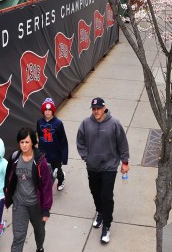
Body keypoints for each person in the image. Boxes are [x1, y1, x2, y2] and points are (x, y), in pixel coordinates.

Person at [76, 97, 130, 245]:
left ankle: (106, 225)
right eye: (93, 109)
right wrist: (86, 157)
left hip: (109, 167)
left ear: (104, 108)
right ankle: (100, 211)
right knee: (95, 192)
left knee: (106, 196)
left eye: (98, 108)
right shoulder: (86, 124)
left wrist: (125, 162)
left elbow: (123, 144)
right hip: (93, 166)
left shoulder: (114, 124)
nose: (96, 112)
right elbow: (80, 141)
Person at [4, 127, 53, 252]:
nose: (24, 145)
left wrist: (46, 209)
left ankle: (39, 247)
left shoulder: (40, 162)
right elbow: (8, 177)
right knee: (18, 236)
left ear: (32, 142)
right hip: (19, 202)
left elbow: (46, 186)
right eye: (21, 142)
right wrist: (7, 195)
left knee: (39, 231)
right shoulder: (15, 157)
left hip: (36, 205)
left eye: (27, 142)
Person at [36, 98, 69, 191]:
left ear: (53, 111)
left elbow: (63, 141)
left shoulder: (58, 123)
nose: (47, 112)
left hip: (55, 154)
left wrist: (64, 157)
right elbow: (40, 135)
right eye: (45, 110)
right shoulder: (39, 122)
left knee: (57, 170)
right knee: (45, 170)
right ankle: (46, 184)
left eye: (49, 110)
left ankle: (61, 180)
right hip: (44, 153)